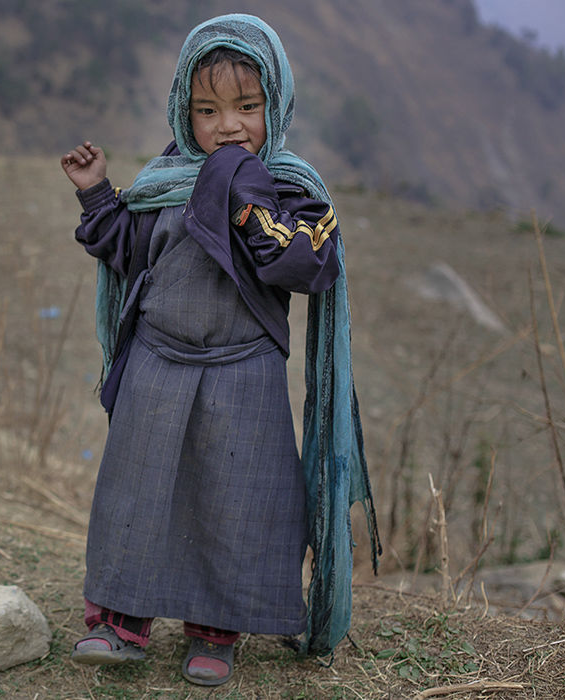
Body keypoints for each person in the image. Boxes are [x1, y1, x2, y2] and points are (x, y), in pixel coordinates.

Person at [59, 14, 378, 687]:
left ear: (276, 106)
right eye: (207, 110)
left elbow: (304, 267)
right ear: (183, 110)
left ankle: (215, 631)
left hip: (243, 372)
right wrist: (96, 191)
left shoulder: (293, 189)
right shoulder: (164, 179)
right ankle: (123, 622)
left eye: (247, 107)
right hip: (158, 362)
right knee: (139, 493)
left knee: (235, 502)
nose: (228, 125)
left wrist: (241, 197)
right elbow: (127, 251)